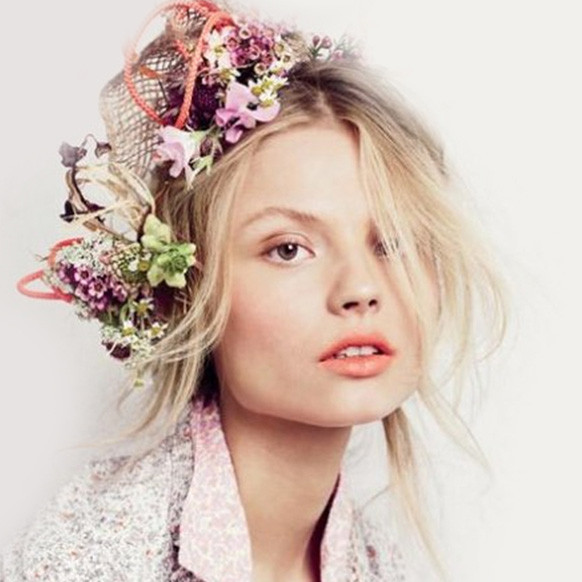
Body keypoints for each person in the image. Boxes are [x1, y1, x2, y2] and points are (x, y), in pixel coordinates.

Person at [3, 0, 509, 580]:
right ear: (188, 292)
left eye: (392, 240)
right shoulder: (94, 558)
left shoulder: (378, 563)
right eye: (288, 249)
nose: (361, 288)